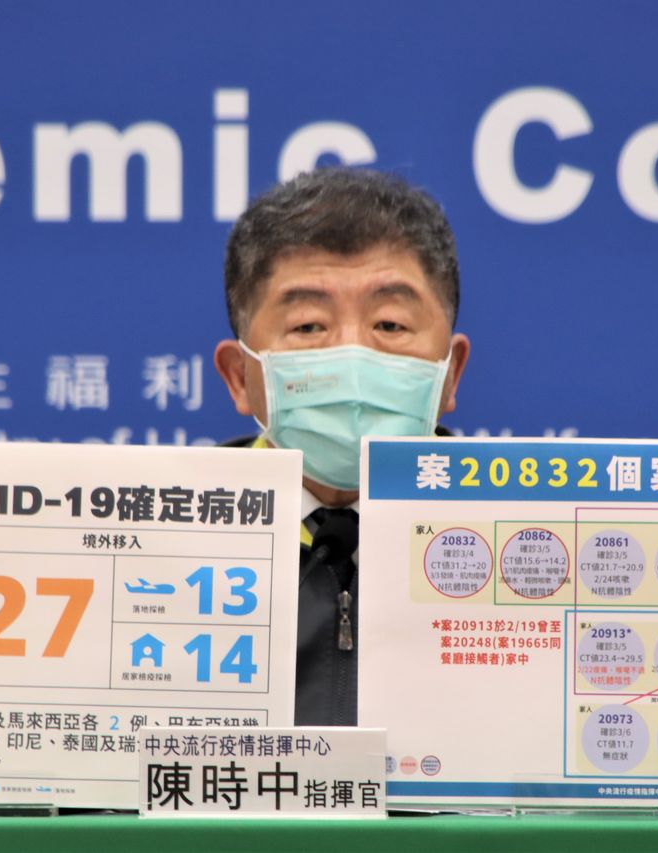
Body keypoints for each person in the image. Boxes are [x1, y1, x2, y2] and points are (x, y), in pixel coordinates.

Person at [213, 167, 471, 725]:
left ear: (450, 374)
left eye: (390, 325)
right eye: (309, 327)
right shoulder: (164, 538)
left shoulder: (521, 538)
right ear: (238, 376)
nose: (352, 356)